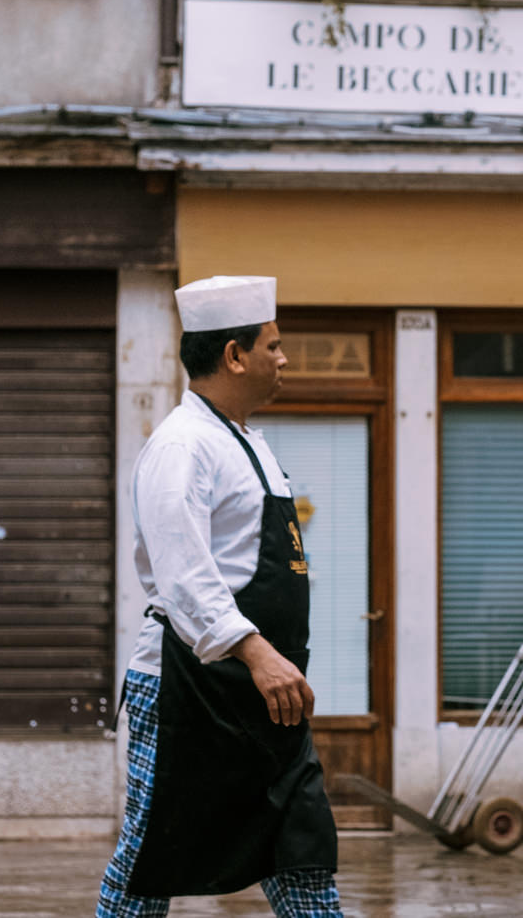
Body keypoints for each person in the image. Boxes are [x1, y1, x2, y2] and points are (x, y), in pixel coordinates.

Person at [96, 275, 342, 918]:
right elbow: (183, 574)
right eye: (274, 346)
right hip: (191, 686)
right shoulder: (182, 446)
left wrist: (268, 664)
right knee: (150, 860)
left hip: (265, 691)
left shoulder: (247, 442)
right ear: (234, 356)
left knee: (302, 848)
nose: (284, 359)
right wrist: (258, 652)